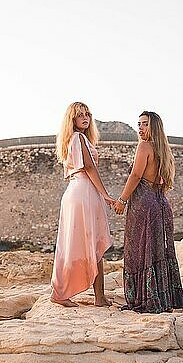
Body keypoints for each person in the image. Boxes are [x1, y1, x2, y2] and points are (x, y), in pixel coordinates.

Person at [113, 111, 183, 313]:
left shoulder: (144, 146)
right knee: (156, 252)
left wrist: (122, 200)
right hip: (160, 204)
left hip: (143, 206)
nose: (140, 128)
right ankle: (163, 299)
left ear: (154, 126)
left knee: (138, 251)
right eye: (139, 124)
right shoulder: (163, 150)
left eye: (145, 124)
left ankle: (143, 300)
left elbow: (136, 175)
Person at [50, 101, 114, 307]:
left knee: (75, 245)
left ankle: (93, 296)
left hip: (76, 192)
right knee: (92, 244)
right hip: (84, 192)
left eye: (87, 114)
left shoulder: (74, 139)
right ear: (72, 119)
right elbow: (88, 167)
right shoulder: (78, 138)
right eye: (80, 115)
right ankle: (96, 298)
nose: (85, 117)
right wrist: (105, 195)